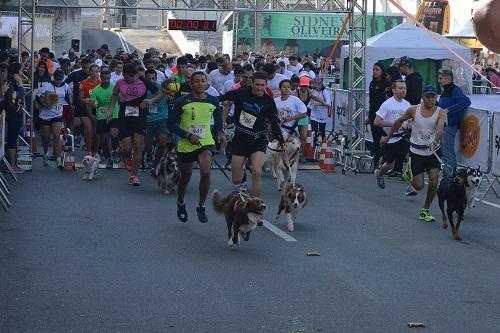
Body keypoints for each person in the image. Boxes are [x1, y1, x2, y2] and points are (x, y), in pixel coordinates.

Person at [380, 86, 447, 222]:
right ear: (422, 97)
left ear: (436, 98)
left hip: (433, 151)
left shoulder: (440, 112)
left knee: (434, 181)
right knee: (419, 186)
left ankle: (425, 210)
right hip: (416, 152)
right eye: (427, 96)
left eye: (432, 97)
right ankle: (409, 177)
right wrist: (388, 137)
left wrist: (435, 141)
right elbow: (398, 122)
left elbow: (440, 130)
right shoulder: (413, 110)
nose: (430, 99)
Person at [168, 71, 224, 223]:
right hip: (186, 144)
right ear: (191, 84)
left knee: (206, 173)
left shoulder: (213, 101)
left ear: (207, 83)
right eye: (196, 81)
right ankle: (180, 202)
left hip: (205, 142)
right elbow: (171, 124)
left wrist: (219, 132)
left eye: (202, 81)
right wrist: (187, 135)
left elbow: (218, 118)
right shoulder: (181, 101)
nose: (200, 84)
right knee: (185, 178)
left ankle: (201, 206)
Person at [219, 71, 285, 199]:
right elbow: (223, 97)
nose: (259, 88)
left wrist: (282, 142)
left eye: (262, 85)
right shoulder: (241, 93)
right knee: (236, 179)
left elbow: (274, 122)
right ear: (252, 83)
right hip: (240, 139)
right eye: (257, 85)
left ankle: (254, 204)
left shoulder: (268, 100)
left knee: (256, 171)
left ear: (266, 85)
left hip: (258, 139)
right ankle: (241, 179)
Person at [109, 63, 159, 186]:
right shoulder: (120, 83)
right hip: (125, 116)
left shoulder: (144, 81)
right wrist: (111, 110)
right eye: (125, 77)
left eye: (130, 78)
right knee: (126, 148)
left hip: (140, 116)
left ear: (136, 75)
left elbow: (160, 93)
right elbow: (114, 95)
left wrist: (150, 101)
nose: (128, 80)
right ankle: (125, 156)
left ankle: (134, 176)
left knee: (138, 146)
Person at [373, 80, 411, 189]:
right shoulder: (387, 104)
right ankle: (380, 174)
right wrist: (393, 124)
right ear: (393, 90)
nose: (403, 90)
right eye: (400, 88)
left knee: (410, 158)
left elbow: (410, 119)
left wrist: (409, 123)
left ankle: (410, 185)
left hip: (403, 136)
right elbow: (377, 121)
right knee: (389, 164)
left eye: (404, 88)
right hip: (390, 138)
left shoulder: (407, 104)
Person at [437, 68, 471, 178]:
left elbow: (466, 101)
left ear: (447, 79)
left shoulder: (454, 89)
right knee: (445, 153)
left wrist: (449, 110)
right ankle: (448, 176)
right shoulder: (447, 90)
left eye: (441, 78)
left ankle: (450, 178)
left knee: (448, 153)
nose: (439, 80)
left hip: (450, 125)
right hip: (445, 125)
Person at [36, 69, 69, 168]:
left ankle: (58, 158)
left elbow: (67, 98)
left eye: (60, 80)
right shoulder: (47, 86)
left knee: (56, 135)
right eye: (57, 79)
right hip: (45, 114)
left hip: (57, 114)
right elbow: (37, 97)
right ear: (53, 78)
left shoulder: (66, 87)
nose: (59, 82)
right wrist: (44, 103)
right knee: (46, 138)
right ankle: (45, 154)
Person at [90, 70, 119, 168]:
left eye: (108, 78)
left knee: (114, 133)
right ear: (100, 78)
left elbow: (120, 99)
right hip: (102, 116)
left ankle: (115, 150)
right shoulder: (96, 90)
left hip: (114, 114)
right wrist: (93, 105)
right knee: (104, 141)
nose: (106, 80)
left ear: (110, 78)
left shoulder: (114, 87)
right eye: (104, 78)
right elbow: (92, 104)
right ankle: (108, 158)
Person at [1, 63, 26, 173]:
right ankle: (11, 165)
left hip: (13, 114)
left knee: (13, 138)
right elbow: (19, 98)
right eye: (20, 71)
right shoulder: (11, 84)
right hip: (11, 114)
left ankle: (12, 163)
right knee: (12, 139)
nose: (22, 73)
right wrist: (20, 85)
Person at [144, 68, 170, 170]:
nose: (151, 81)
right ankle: (149, 154)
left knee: (162, 142)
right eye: (149, 79)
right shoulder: (142, 89)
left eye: (153, 78)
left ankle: (157, 162)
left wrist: (169, 97)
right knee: (148, 143)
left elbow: (171, 97)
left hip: (162, 117)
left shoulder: (162, 88)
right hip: (148, 119)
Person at [368, 62, 389, 170]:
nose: (375, 72)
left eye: (377, 70)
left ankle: (385, 161)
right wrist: (369, 116)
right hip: (373, 114)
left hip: (384, 115)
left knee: (384, 139)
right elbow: (371, 101)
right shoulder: (372, 83)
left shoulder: (386, 84)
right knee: (376, 139)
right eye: (373, 70)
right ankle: (376, 162)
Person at [80, 64, 101, 154]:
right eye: (92, 71)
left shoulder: (100, 83)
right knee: (89, 130)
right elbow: (81, 98)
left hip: (97, 109)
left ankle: (96, 151)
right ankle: (89, 151)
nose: (94, 73)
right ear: (89, 72)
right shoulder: (83, 83)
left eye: (96, 71)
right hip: (85, 109)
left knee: (97, 133)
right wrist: (89, 102)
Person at [292, 75, 312, 162]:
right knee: (294, 136)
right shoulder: (295, 92)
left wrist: (325, 103)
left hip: (304, 116)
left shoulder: (309, 92)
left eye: (306, 86)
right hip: (295, 117)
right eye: (303, 85)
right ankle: (292, 154)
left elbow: (314, 98)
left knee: (303, 136)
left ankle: (301, 154)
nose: (304, 87)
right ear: (300, 85)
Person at [309, 77, 331, 142]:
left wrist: (319, 102)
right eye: (315, 86)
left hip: (322, 114)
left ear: (321, 85)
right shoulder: (313, 91)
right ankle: (313, 144)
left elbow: (328, 104)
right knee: (314, 130)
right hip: (314, 114)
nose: (316, 87)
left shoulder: (325, 92)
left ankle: (323, 146)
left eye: (317, 86)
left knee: (322, 131)